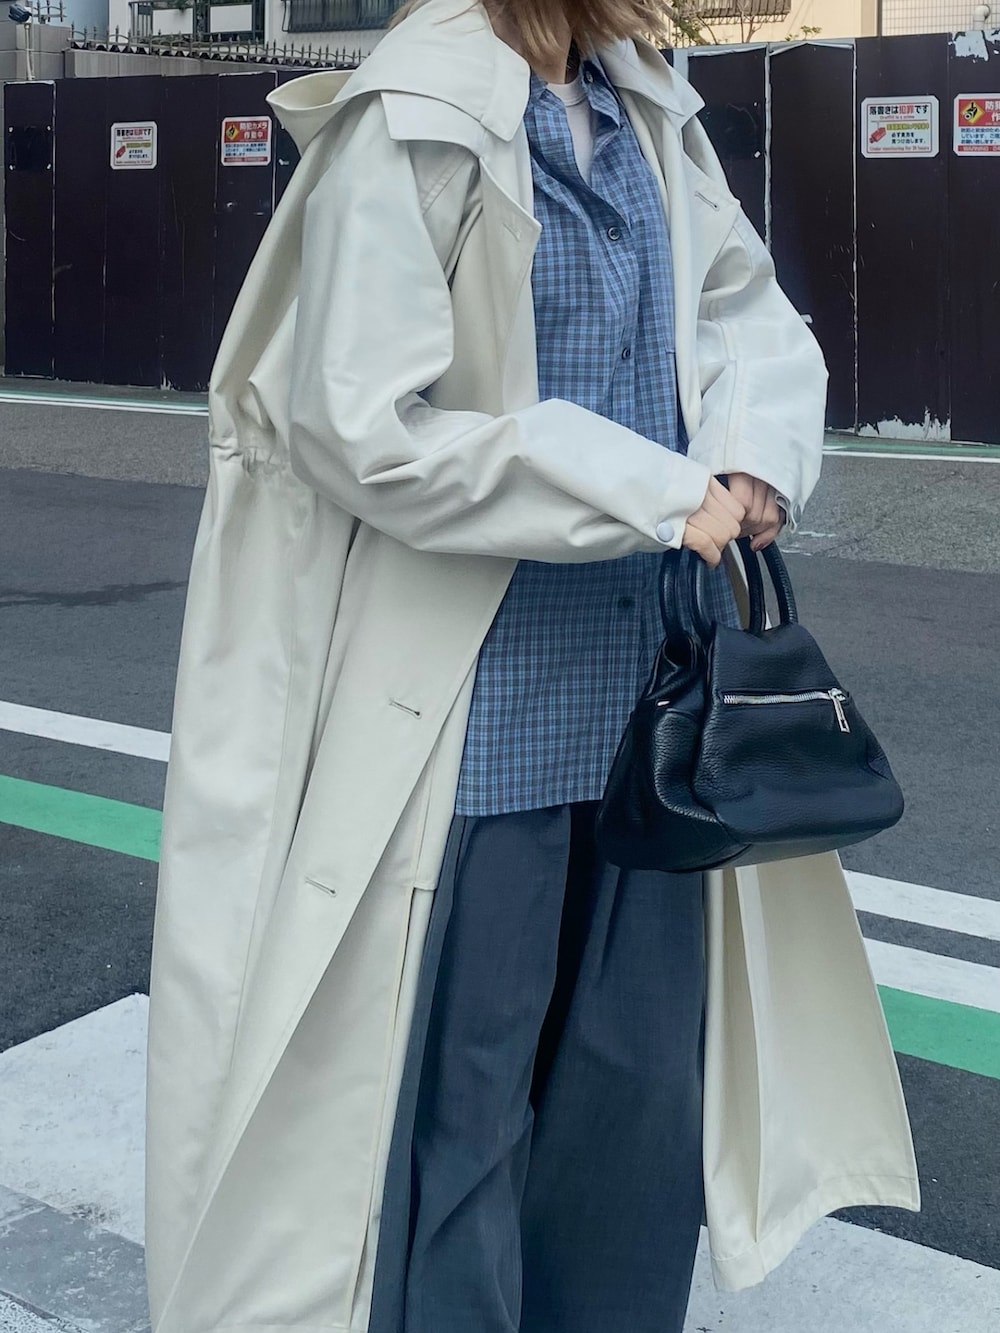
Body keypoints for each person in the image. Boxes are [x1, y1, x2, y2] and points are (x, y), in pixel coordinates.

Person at [143, 1, 920, 1331]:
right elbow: (364, 427)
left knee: (634, 1117)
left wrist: (751, 450)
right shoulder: (416, 118)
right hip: (475, 715)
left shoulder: (641, 103)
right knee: (467, 1123)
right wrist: (648, 488)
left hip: (656, 713)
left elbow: (741, 309)